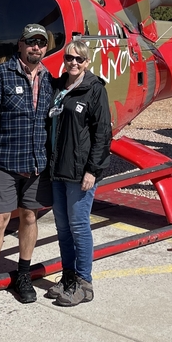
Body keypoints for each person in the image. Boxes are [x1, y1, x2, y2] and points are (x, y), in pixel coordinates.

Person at [0, 23, 54, 316]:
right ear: (20, 44)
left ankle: (22, 274)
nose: (36, 48)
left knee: (30, 217)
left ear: (46, 48)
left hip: (35, 162)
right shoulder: (2, 74)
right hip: (6, 160)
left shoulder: (48, 79)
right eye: (31, 42)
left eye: (41, 43)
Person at [45, 38, 112, 307]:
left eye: (79, 59)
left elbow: (103, 134)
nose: (73, 63)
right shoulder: (59, 86)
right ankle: (68, 276)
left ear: (87, 62)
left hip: (79, 171)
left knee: (79, 226)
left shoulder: (94, 89)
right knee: (63, 228)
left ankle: (84, 283)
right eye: (69, 58)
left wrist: (92, 170)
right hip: (57, 169)